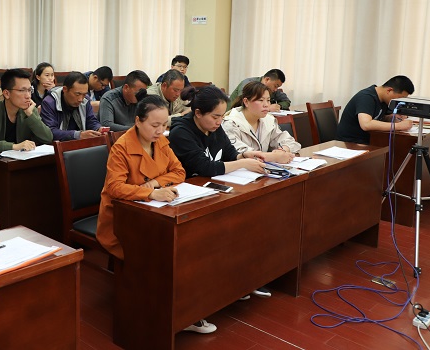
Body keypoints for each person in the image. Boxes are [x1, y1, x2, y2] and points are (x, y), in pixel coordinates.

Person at [97, 93, 215, 334]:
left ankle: (186, 308)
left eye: (163, 125)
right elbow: (115, 188)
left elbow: (179, 172)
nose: (160, 131)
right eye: (154, 125)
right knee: (164, 253)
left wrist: (154, 183)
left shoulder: (160, 141)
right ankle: (162, 315)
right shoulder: (122, 147)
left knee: (190, 244)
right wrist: (150, 193)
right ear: (138, 121)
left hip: (157, 211)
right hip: (122, 218)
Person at [169, 85, 266, 177]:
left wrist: (243, 156)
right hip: (190, 184)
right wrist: (242, 163)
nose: (219, 122)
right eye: (215, 117)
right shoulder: (180, 133)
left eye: (222, 116)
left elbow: (229, 153)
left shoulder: (214, 127)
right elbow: (204, 167)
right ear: (198, 113)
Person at [0, 68, 53, 152]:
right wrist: (14, 146)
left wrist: (30, 115)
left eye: (29, 90)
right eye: (22, 90)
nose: (28, 96)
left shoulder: (30, 110)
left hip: (22, 158)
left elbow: (47, 138)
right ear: (6, 94)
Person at [223, 81, 301, 164]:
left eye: (268, 100)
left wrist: (283, 150)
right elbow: (240, 153)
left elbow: (289, 141)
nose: (266, 105)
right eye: (261, 100)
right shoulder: (230, 123)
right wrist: (274, 157)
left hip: (262, 168)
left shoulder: (268, 120)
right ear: (246, 102)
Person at [337, 75, 415, 144]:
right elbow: (366, 124)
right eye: (399, 98)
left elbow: (378, 117)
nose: (399, 101)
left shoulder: (384, 100)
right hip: (350, 143)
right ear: (389, 90)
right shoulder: (366, 97)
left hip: (369, 140)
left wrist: (392, 118)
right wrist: (399, 126)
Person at [40, 71, 102, 141]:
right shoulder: (49, 102)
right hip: (59, 144)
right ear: (65, 89)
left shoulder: (85, 100)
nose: (80, 99)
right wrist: (77, 135)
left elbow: (91, 120)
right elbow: (50, 132)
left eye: (84, 94)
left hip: (81, 143)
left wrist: (98, 128)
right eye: (77, 94)